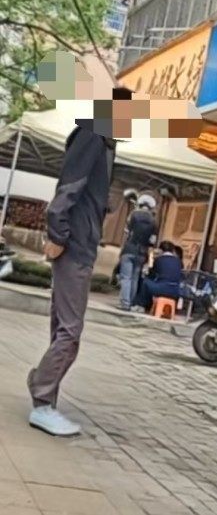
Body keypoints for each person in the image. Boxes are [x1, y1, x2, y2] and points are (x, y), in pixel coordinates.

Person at [27, 125, 116, 436]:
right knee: (70, 332)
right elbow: (69, 185)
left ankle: (44, 393)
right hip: (74, 245)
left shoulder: (104, 140)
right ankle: (42, 398)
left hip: (80, 244)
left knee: (62, 328)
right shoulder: (93, 133)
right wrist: (58, 234)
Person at [117, 193, 157, 310]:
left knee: (126, 277)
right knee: (135, 278)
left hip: (130, 249)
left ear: (140, 204)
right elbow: (152, 241)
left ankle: (125, 303)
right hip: (142, 253)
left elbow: (127, 231)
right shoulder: (154, 221)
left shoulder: (133, 215)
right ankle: (130, 302)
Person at [131, 241, 183, 313]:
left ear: (161, 250)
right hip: (176, 291)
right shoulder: (178, 261)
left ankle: (140, 305)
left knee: (146, 282)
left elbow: (152, 274)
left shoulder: (159, 259)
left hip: (162, 288)